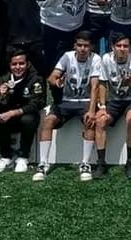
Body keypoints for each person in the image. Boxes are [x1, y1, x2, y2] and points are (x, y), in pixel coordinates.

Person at [37, 32, 102, 181]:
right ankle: (43, 163)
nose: (83, 49)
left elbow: (95, 87)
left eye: (86, 46)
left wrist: (92, 110)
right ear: (74, 46)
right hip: (66, 101)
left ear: (91, 47)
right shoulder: (67, 56)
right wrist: (57, 82)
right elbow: (52, 77)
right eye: (80, 45)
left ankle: (85, 163)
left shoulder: (96, 59)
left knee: (90, 122)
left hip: (85, 101)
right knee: (48, 121)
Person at [95, 33, 131, 179]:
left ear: (130, 47)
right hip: (114, 100)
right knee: (100, 121)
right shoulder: (106, 59)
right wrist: (102, 106)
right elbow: (102, 82)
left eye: (125, 46)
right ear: (112, 47)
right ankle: (101, 163)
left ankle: (130, 162)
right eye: (119, 46)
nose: (122, 49)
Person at [37, 0, 89, 84]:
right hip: (53, 27)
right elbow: (41, 1)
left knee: (73, 64)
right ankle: (54, 92)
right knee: (53, 64)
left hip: (76, 27)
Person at [0, 49, 45, 175]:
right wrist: (2, 96)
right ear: (10, 65)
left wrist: (14, 112)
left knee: (28, 120)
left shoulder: (35, 79)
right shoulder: (4, 79)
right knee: (0, 119)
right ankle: (6, 157)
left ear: (27, 64)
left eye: (21, 63)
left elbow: (37, 103)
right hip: (11, 116)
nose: (18, 67)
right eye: (14, 64)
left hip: (28, 115)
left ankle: (23, 157)